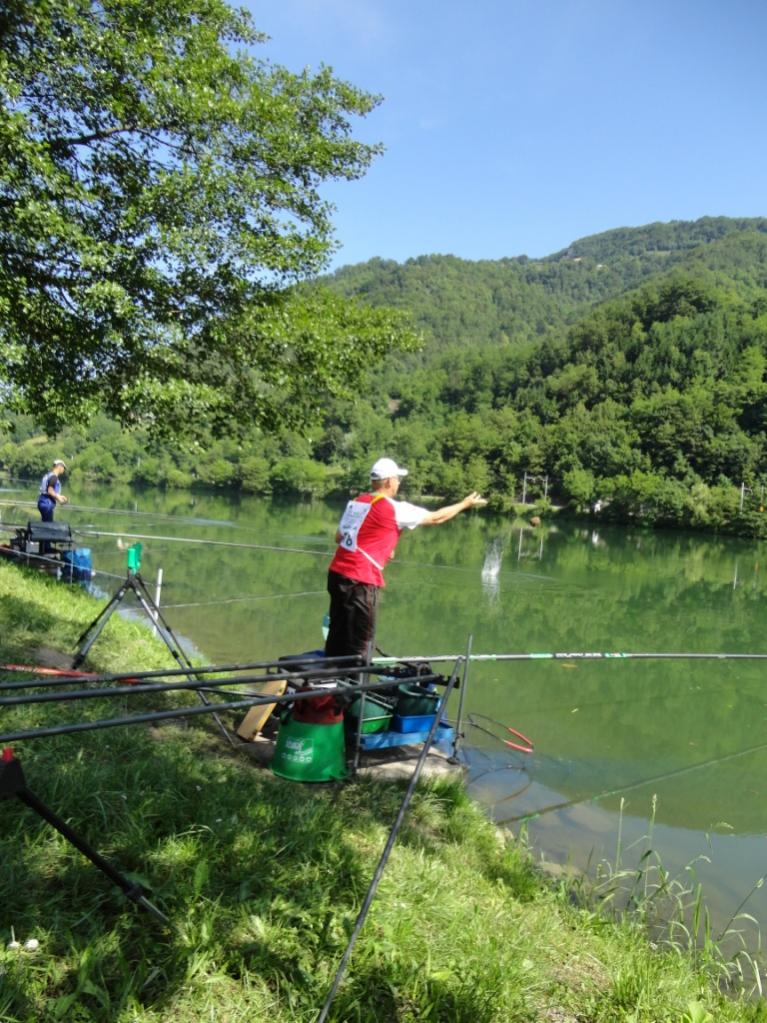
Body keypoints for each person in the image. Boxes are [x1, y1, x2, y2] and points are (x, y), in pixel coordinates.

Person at [325, 457, 488, 662]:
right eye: (397, 479)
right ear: (388, 482)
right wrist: (465, 504)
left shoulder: (357, 502)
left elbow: (339, 537)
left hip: (337, 574)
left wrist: (381, 547)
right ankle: (354, 681)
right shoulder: (395, 508)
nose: (399, 483)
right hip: (361, 581)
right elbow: (437, 518)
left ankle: (328, 676)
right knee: (360, 642)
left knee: (338, 632)